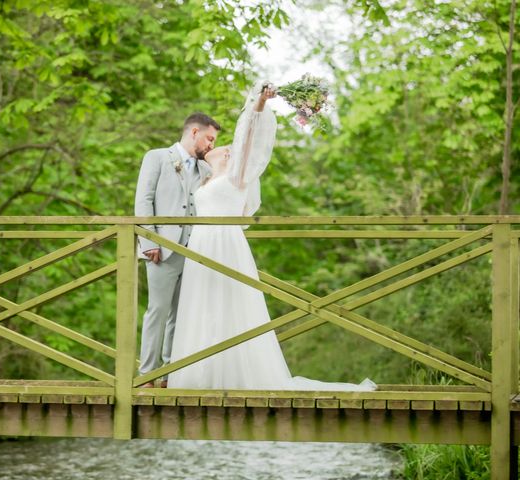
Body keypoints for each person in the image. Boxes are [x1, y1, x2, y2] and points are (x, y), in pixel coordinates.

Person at [167, 83, 375, 391]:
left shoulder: (236, 177)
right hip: (201, 245)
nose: (216, 147)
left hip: (224, 245)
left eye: (223, 146)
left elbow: (248, 136)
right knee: (204, 307)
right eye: (212, 142)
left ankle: (237, 377)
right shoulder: (206, 179)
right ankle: (199, 374)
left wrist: (259, 103)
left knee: (230, 304)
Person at [135, 113, 221, 388]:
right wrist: (149, 243)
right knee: (157, 312)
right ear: (194, 132)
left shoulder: (206, 170)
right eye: (209, 138)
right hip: (162, 250)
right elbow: (144, 201)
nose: (211, 145)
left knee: (181, 315)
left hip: (194, 251)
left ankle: (170, 374)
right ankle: (147, 373)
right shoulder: (157, 157)